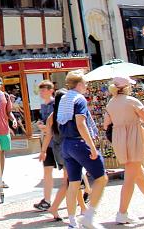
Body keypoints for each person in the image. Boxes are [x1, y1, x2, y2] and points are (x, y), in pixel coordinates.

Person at [103, 76, 144, 224]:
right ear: (126, 87)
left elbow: (106, 125)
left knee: (139, 175)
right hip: (133, 138)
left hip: (120, 139)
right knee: (131, 178)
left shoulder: (111, 103)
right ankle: (122, 212)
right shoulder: (132, 101)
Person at [57, 70, 108, 229]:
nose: (86, 86)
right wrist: (92, 147)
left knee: (73, 183)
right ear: (79, 85)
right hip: (79, 142)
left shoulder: (64, 98)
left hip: (66, 144)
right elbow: (81, 123)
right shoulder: (79, 100)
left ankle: (72, 222)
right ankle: (89, 217)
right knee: (101, 177)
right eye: (85, 83)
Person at [41, 89, 87, 222]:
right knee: (70, 182)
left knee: (73, 179)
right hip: (69, 149)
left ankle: (83, 207)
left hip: (59, 150)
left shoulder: (52, 116)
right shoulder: (66, 114)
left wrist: (43, 151)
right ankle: (54, 207)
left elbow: (48, 135)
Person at [34, 80, 58, 211]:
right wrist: (41, 124)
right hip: (47, 143)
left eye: (44, 90)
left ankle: (85, 189)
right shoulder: (43, 106)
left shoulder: (56, 104)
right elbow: (45, 123)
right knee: (47, 171)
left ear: (51, 90)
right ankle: (47, 200)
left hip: (58, 142)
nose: (41, 93)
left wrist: (45, 127)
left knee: (69, 171)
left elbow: (55, 124)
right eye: (40, 90)